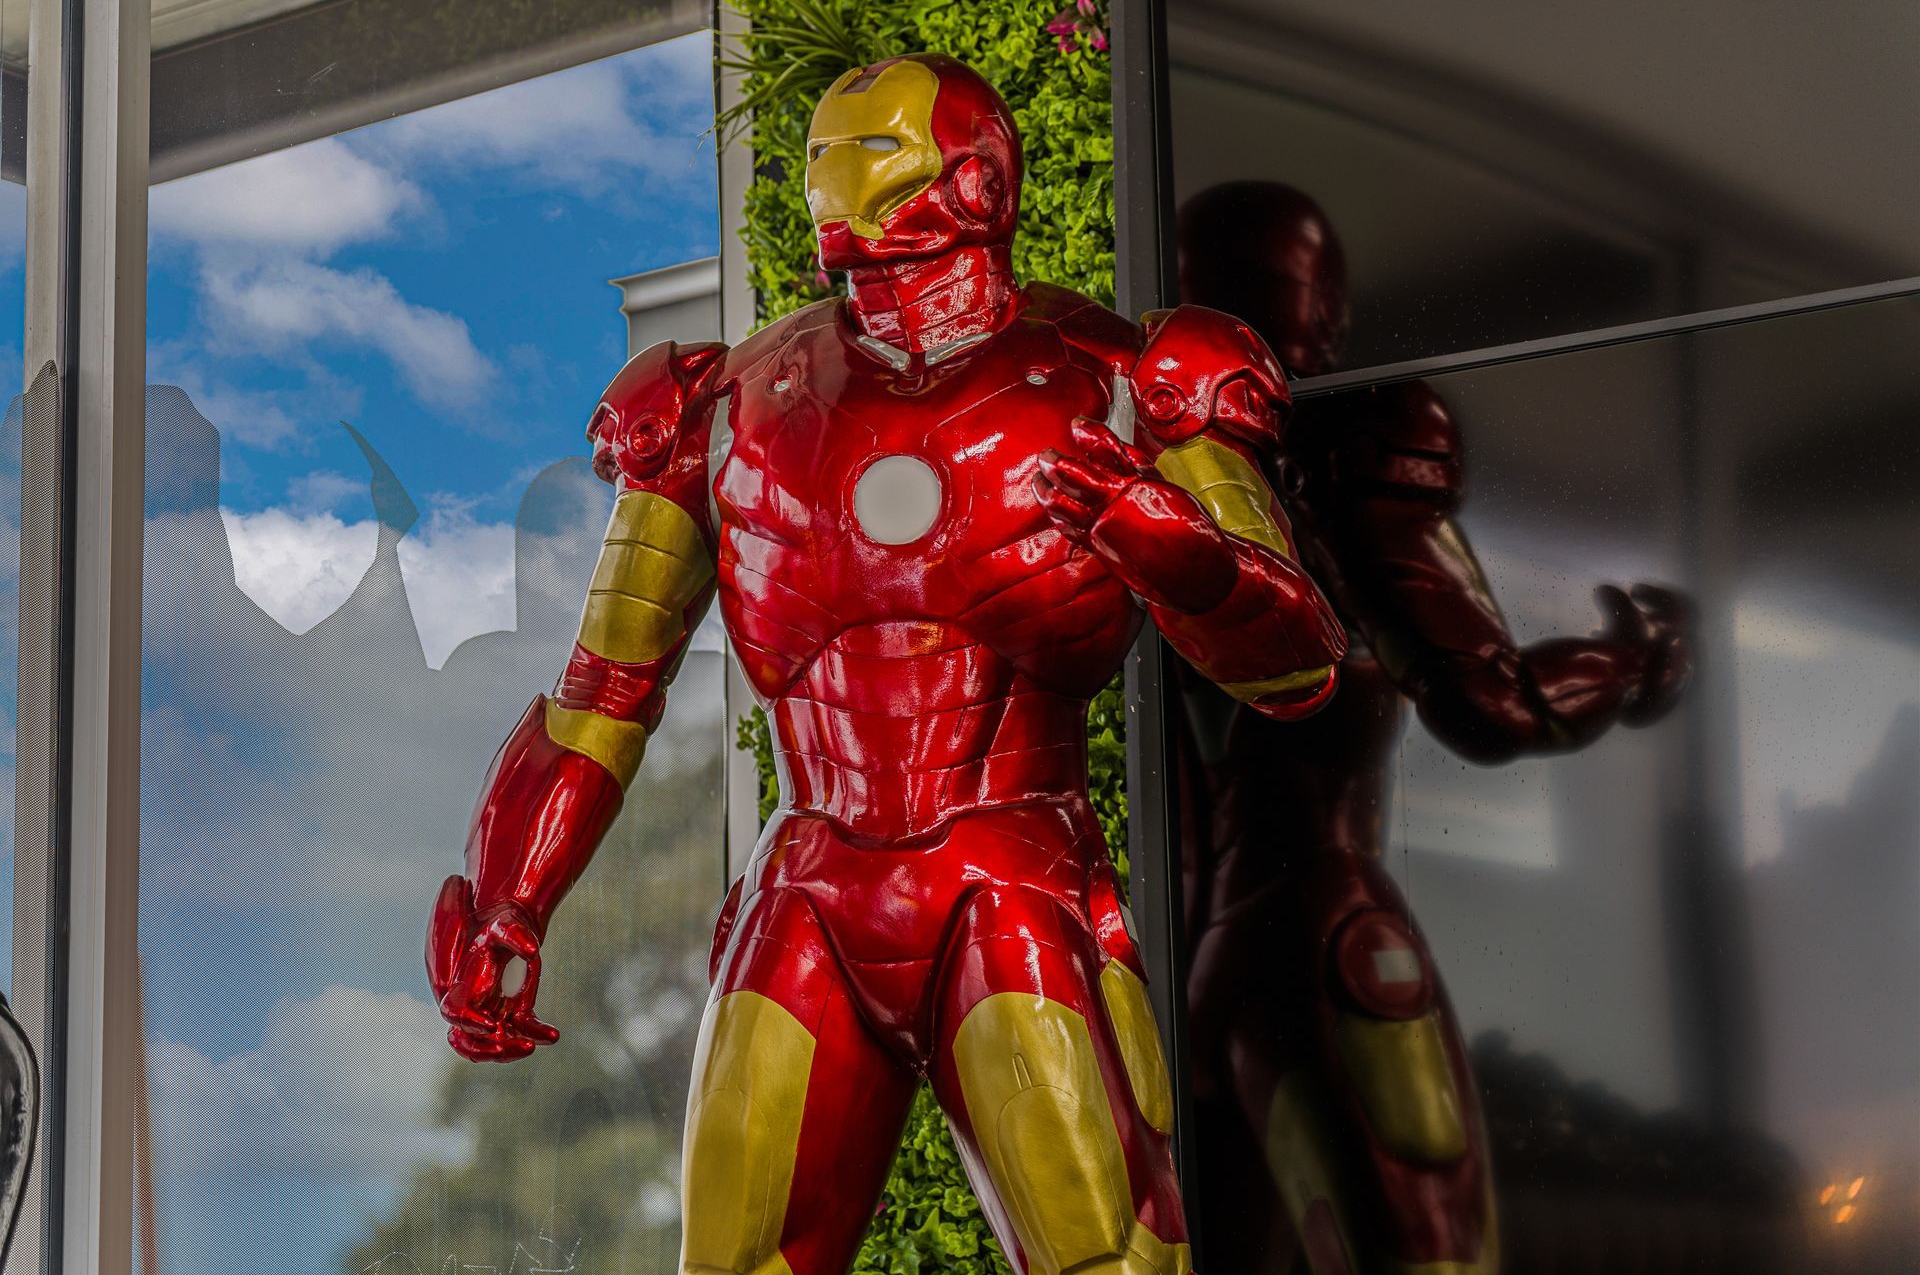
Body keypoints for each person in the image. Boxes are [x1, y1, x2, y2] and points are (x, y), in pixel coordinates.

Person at [427, 61, 1348, 1275]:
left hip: (1012, 869)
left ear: (975, 177)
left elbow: (1295, 663)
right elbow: (601, 692)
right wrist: (509, 894)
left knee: (1107, 1257)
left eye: (867, 151)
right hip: (810, 881)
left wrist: (1175, 552)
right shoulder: (725, 406)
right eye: (821, 153)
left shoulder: (1124, 380)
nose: (832, 185)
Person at [1176, 180, 1692, 1274]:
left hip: (1197, 962)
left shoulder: (1150, 466)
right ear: (1322, 300)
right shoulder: (1334, 451)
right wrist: (1638, 658)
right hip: (1319, 919)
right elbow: (1497, 706)